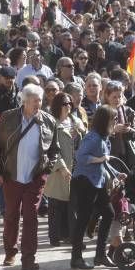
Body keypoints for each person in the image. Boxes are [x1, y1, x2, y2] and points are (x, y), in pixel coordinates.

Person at [0, 84, 61, 270]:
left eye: (40, 100)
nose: (39, 104)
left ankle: (28, 258)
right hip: (12, 175)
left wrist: (47, 170)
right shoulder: (8, 117)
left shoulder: (48, 121)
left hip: (35, 177)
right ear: (25, 101)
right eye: (35, 101)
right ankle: (10, 251)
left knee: (31, 216)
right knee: (11, 214)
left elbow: (55, 149)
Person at [70, 105, 124, 269]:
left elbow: (104, 160)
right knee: (83, 219)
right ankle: (76, 258)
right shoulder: (92, 138)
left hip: (97, 181)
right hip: (85, 181)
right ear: (105, 120)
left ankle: (100, 255)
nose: (116, 122)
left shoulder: (104, 137)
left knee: (109, 213)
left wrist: (117, 174)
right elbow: (81, 157)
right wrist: (99, 159)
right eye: (114, 119)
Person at [43, 92, 84, 246]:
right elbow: (50, 149)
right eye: (65, 104)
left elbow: (84, 141)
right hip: (58, 169)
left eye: (70, 104)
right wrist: (61, 167)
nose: (68, 107)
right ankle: (54, 237)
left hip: (76, 167)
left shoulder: (75, 121)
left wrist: (80, 131)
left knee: (71, 204)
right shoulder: (51, 123)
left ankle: (70, 236)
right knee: (56, 204)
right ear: (57, 106)